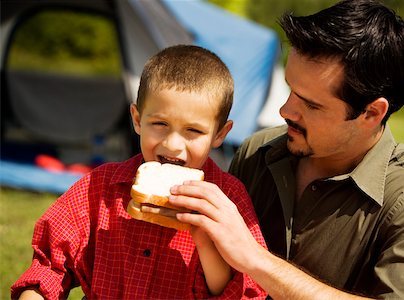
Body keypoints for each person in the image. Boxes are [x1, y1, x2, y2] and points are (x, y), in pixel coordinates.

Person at [165, 1, 404, 299]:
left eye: (311, 105)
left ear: (371, 113)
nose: (284, 110)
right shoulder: (255, 153)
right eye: (290, 89)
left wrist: (257, 259)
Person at [11, 45, 267, 299]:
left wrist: (204, 238)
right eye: (160, 124)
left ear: (220, 134)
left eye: (193, 131)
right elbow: (49, 268)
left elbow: (241, 291)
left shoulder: (229, 199)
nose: (172, 144)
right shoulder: (100, 187)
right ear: (136, 119)